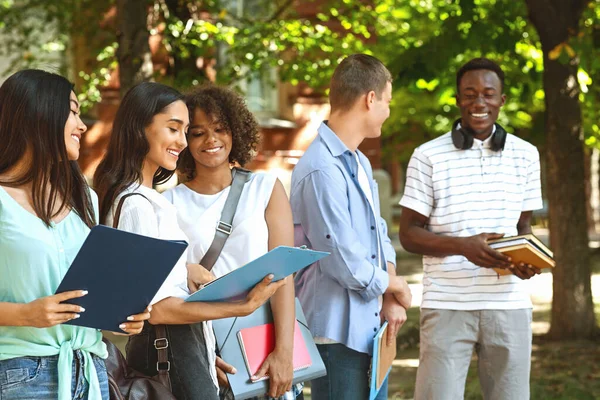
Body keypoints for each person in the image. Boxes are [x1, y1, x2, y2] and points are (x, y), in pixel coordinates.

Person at [94, 81, 285, 400]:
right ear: (141, 128)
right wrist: (241, 305)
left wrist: (187, 269)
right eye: (174, 129)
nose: (182, 142)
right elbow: (156, 309)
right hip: (172, 358)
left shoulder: (146, 199)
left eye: (185, 131)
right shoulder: (139, 203)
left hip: (187, 353)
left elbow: (152, 286)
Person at [399, 57, 543, 400]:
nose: (479, 103)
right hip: (447, 303)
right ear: (458, 99)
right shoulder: (427, 155)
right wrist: (464, 246)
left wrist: (529, 260)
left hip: (509, 305)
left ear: (502, 100)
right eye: (470, 94)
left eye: (489, 94)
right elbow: (408, 234)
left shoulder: (527, 154)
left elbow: (524, 226)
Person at [0, 69, 148, 400]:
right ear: (39, 112)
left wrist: (119, 317)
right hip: (21, 373)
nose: (82, 125)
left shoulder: (84, 197)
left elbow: (91, 294)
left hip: (91, 371)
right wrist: (25, 315)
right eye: (73, 111)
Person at [163, 84, 299, 400]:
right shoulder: (168, 203)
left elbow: (283, 277)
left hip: (265, 336)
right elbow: (170, 290)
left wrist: (284, 352)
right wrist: (202, 355)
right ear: (183, 140)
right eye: (197, 133)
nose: (211, 140)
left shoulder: (265, 188)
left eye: (220, 129)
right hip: (206, 342)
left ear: (235, 132)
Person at [290, 54, 413, 400]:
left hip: (368, 325)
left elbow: (379, 234)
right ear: (370, 99)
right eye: (387, 101)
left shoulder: (357, 159)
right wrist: (396, 284)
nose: (388, 112)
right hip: (337, 334)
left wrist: (390, 295)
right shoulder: (321, 169)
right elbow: (342, 260)